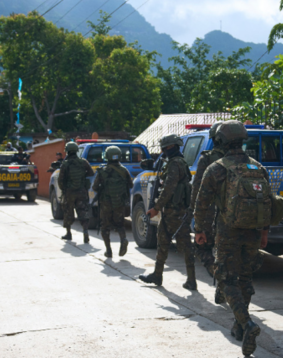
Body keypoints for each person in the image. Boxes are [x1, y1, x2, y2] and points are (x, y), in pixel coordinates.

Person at [194, 122, 269, 356]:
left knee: (226, 279)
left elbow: (202, 202)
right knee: (245, 278)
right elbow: (268, 202)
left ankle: (247, 324)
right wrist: (264, 231)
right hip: (254, 232)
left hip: (228, 231)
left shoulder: (217, 168)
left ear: (220, 141)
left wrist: (200, 229)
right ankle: (238, 326)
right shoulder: (258, 167)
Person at [139, 135, 196, 290]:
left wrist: (156, 207)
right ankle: (160, 275)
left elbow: (169, 188)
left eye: (165, 148)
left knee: (176, 243)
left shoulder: (174, 164)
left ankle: (187, 279)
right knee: (165, 241)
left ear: (171, 147)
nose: (163, 151)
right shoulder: (179, 162)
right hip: (175, 210)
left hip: (174, 211)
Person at [190, 122, 227, 301]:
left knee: (202, 247)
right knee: (227, 254)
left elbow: (198, 189)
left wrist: (195, 215)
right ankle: (222, 289)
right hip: (235, 215)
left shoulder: (207, 159)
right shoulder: (243, 160)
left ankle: (223, 282)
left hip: (211, 214)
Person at [92, 145, 133, 259]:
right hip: (119, 202)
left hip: (106, 203)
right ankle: (123, 239)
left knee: (105, 227)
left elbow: (95, 187)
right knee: (120, 224)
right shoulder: (124, 170)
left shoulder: (102, 171)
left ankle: (109, 251)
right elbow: (131, 185)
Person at [58, 141, 94, 243]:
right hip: (82, 191)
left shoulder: (65, 164)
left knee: (68, 212)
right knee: (83, 211)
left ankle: (68, 234)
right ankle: (85, 232)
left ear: (67, 152)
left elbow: (60, 180)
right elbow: (91, 173)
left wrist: (64, 189)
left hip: (69, 192)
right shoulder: (83, 162)